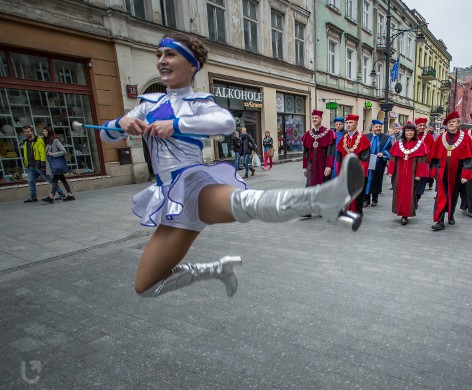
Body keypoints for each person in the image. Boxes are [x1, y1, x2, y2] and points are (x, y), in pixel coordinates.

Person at [99, 33, 365, 298]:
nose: (161, 61)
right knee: (145, 286)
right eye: (159, 55)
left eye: (169, 54)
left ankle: (322, 199)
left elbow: (225, 123)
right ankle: (217, 270)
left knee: (249, 203)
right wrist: (118, 124)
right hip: (169, 201)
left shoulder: (199, 101)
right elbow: (105, 134)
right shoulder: (149, 104)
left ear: (192, 65)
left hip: (192, 184)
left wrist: (176, 124)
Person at [429, 111, 472, 231]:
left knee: (453, 196)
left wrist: (465, 174)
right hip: (442, 172)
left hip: (457, 173)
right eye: (449, 122)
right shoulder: (441, 138)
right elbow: (434, 157)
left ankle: (450, 215)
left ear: (458, 123)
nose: (451, 124)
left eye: (453, 122)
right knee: (441, 195)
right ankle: (439, 220)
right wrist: (434, 171)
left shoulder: (465, 138)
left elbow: (469, 158)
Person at [387, 123, 429, 225]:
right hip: (399, 174)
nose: (409, 132)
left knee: (409, 194)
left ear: (414, 132)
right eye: (407, 131)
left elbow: (422, 160)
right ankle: (399, 211)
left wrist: (419, 174)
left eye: (411, 131)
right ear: (404, 132)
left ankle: (406, 214)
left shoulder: (420, 145)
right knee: (399, 192)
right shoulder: (398, 144)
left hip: (412, 174)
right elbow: (393, 158)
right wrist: (391, 171)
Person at [335, 114, 371, 215]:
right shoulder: (343, 139)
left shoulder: (363, 139)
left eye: (350, 122)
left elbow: (365, 157)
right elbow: (338, 156)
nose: (348, 125)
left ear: (356, 124)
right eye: (347, 123)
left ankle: (357, 211)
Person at [21, 125, 65, 203]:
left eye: (28, 131)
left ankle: (61, 194)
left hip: (39, 165)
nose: (26, 133)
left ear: (32, 131)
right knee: (30, 181)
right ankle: (33, 197)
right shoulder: (25, 142)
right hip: (30, 166)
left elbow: (42, 153)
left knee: (50, 180)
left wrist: (43, 164)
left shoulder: (38, 140)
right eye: (25, 132)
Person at [40, 127, 75, 203]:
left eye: (45, 131)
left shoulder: (55, 140)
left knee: (55, 179)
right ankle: (70, 194)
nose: (44, 133)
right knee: (62, 179)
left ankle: (51, 196)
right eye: (43, 132)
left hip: (56, 164)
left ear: (49, 131)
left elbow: (64, 151)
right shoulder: (48, 141)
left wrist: (53, 154)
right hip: (53, 164)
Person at [302, 110, 335, 187]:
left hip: (323, 166)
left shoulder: (329, 133)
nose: (314, 119)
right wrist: (304, 167)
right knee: (310, 186)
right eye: (313, 118)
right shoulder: (307, 134)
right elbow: (305, 152)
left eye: (316, 118)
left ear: (321, 118)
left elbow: (330, 152)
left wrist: (329, 166)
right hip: (311, 166)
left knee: (324, 187)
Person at [363, 119, 392, 207]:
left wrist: (383, 153)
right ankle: (366, 200)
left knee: (376, 180)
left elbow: (390, 149)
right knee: (366, 180)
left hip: (379, 162)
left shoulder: (386, 138)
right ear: (372, 128)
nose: (378, 128)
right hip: (367, 161)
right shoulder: (366, 137)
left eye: (380, 127)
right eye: (376, 127)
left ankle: (375, 200)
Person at [413, 117, 435, 207]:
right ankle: (411, 200)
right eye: (420, 125)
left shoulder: (429, 137)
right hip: (412, 163)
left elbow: (432, 150)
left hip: (424, 164)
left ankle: (417, 199)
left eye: (423, 125)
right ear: (416, 126)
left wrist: (430, 163)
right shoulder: (412, 135)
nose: (422, 127)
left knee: (421, 185)